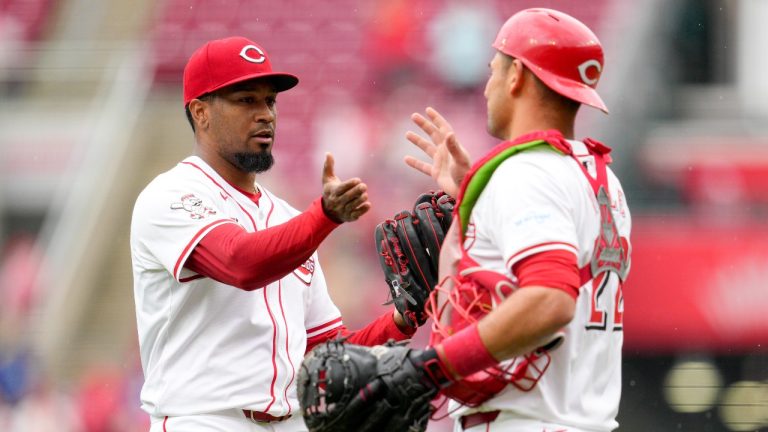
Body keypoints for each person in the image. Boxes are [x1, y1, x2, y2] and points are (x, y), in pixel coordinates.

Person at [129, 36, 417, 432]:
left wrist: (402, 320)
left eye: (270, 101)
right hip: (204, 420)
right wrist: (325, 216)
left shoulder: (288, 219)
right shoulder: (171, 195)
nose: (265, 114)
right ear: (200, 112)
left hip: (290, 422)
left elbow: (325, 352)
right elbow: (240, 262)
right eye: (246, 100)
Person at [396, 8, 631, 431]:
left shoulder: (525, 174)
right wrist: (476, 194)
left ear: (516, 75)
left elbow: (551, 299)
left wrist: (428, 369)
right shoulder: (601, 178)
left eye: (493, 71)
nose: (486, 87)